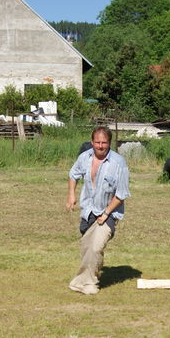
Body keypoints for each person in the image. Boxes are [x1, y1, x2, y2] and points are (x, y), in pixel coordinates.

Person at [66, 126, 130, 294]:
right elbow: (73, 174)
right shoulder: (84, 158)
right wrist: (71, 195)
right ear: (92, 142)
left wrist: (106, 213)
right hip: (88, 211)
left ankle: (87, 284)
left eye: (104, 143)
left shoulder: (118, 163)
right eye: (97, 142)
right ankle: (86, 278)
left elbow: (122, 194)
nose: (100, 146)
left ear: (110, 143)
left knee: (95, 247)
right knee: (87, 248)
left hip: (109, 212)